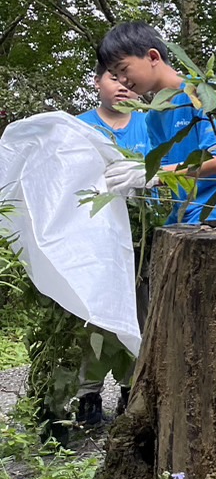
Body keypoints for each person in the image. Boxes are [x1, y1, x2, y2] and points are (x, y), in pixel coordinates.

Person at [99, 23, 216, 226]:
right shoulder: (153, 117)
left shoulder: (201, 93)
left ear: (153, 57)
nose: (122, 80)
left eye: (123, 69)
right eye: (115, 75)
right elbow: (166, 167)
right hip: (191, 207)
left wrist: (154, 175)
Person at [71, 65, 151, 429]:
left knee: (140, 313)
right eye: (113, 78)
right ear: (96, 79)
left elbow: (167, 171)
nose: (122, 87)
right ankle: (87, 397)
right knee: (93, 317)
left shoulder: (151, 124)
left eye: (128, 80)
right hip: (94, 238)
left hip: (143, 236)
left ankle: (129, 392)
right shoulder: (78, 126)